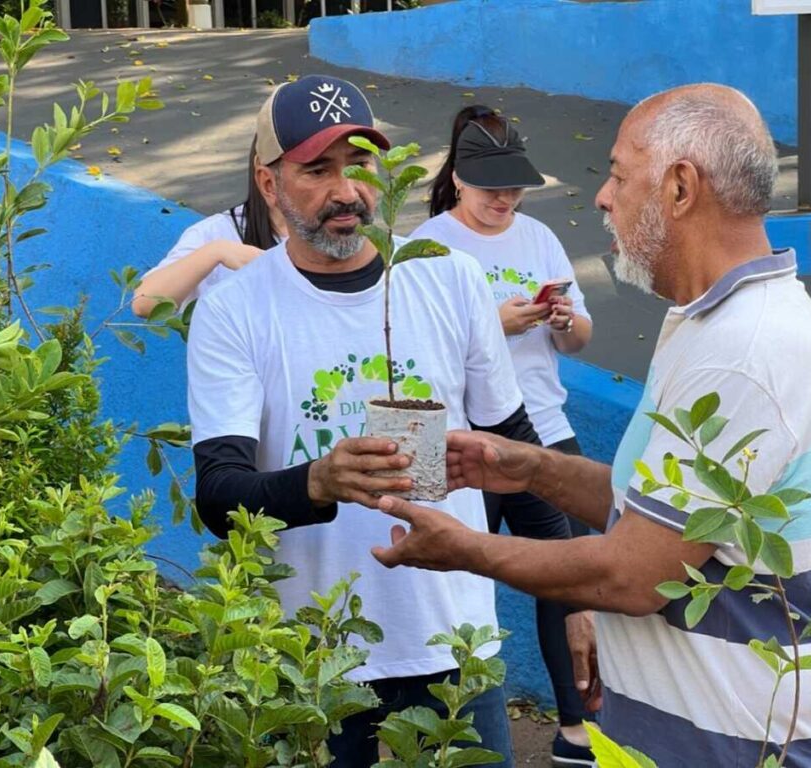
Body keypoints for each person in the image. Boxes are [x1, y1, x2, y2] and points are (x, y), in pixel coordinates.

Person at [370, 84, 811, 767]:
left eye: (619, 175)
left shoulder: (746, 350)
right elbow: (664, 512)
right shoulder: (707, 320)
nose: (602, 196)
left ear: (680, 188)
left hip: (749, 751)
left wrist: (462, 548)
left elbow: (632, 575)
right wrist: (531, 467)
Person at [186, 74, 554, 768]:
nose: (346, 190)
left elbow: (515, 450)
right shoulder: (235, 309)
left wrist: (575, 605)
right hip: (310, 658)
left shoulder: (448, 278)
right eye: (316, 170)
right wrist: (318, 482)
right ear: (269, 185)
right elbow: (219, 494)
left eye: (360, 163)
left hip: (454, 643)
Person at [412, 107, 598, 765]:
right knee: (455, 580)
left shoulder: (539, 236)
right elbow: (409, 353)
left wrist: (563, 320)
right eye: (492, 187)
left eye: (515, 187)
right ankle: (443, 729)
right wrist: (493, 325)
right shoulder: (427, 247)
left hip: (543, 428)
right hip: (463, 442)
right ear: (459, 178)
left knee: (572, 575)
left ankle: (577, 730)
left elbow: (581, 340)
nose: (505, 200)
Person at [132, 137, 286, 317]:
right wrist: (215, 252)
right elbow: (144, 303)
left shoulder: (316, 237)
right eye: (311, 171)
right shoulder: (219, 232)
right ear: (266, 180)